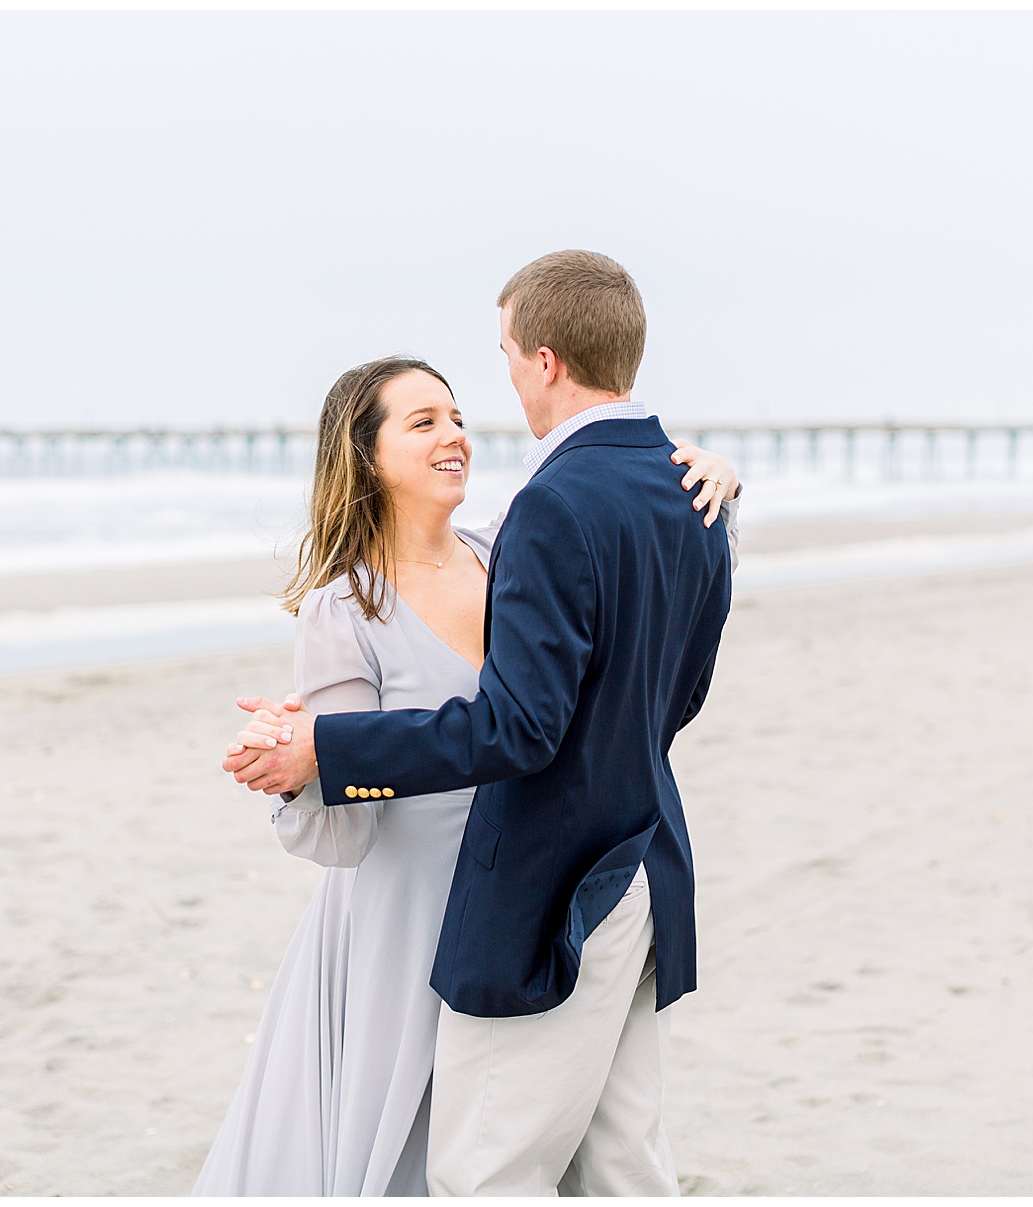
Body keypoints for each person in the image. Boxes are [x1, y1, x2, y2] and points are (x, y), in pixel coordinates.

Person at [219, 250, 738, 1196]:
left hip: (536, 892)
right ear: (366, 456)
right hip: (417, 920)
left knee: (536, 1167)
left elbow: (535, 719)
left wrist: (719, 480)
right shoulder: (346, 607)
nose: (457, 430)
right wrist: (301, 766)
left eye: (457, 411)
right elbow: (347, 836)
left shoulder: (515, 541)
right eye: (424, 421)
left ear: (543, 360)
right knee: (584, 1163)